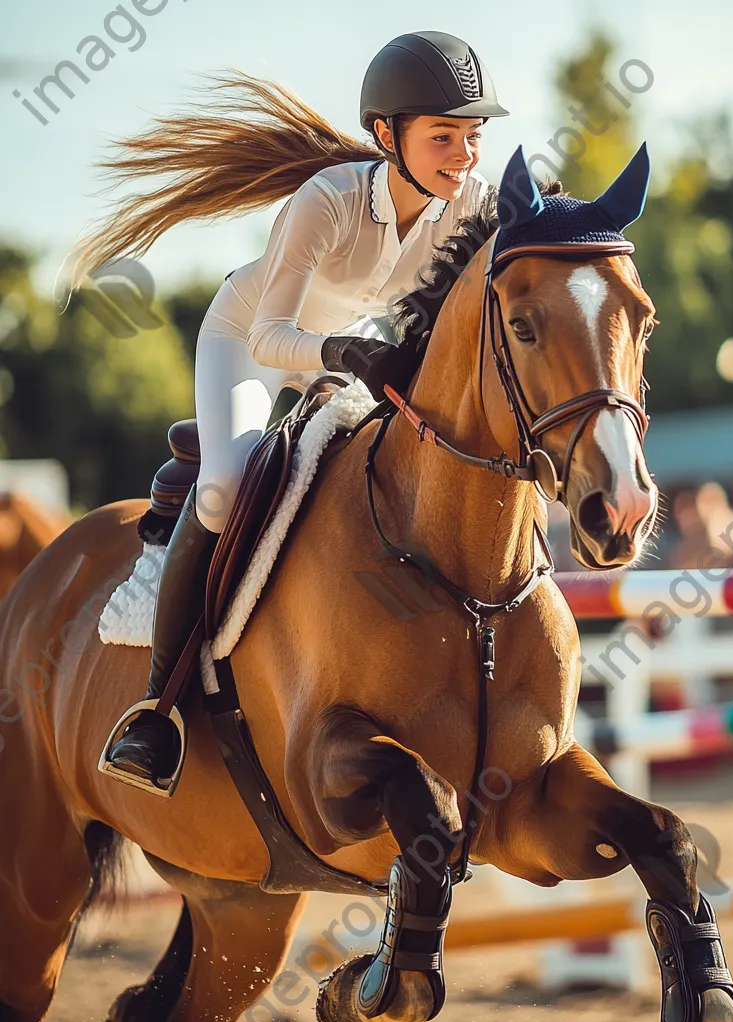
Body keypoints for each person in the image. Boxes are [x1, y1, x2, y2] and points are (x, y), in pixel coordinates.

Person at [67, 32, 509, 795]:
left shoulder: (466, 200)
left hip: (349, 346)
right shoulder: (328, 201)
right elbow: (274, 336)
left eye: (472, 136)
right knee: (227, 486)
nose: (464, 154)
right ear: (387, 136)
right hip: (249, 342)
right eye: (444, 136)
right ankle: (157, 708)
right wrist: (348, 355)